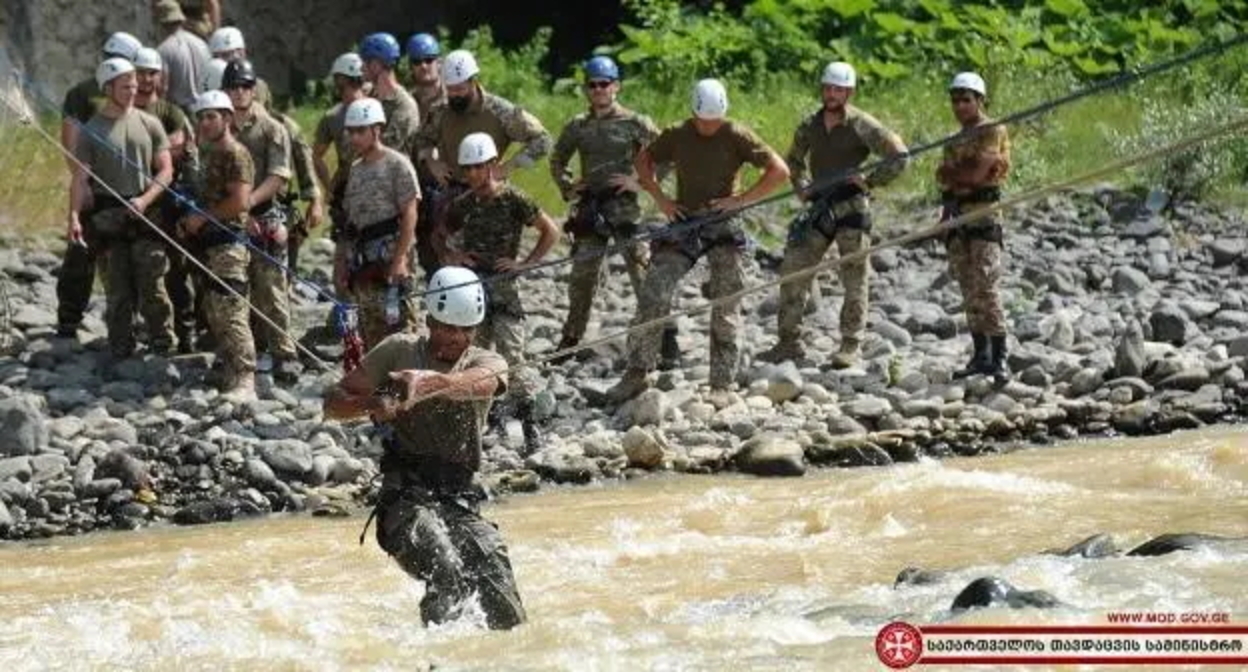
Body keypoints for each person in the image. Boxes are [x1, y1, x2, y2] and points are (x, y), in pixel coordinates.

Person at [323, 265, 527, 631]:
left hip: (460, 499)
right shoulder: (399, 351)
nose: (456, 337)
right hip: (404, 497)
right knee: (445, 569)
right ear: (430, 319)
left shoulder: (487, 362)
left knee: (502, 598)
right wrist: (375, 402)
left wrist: (427, 384)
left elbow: (479, 385)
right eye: (448, 327)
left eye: (466, 330)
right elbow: (334, 402)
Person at [604, 78, 789, 407]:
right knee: (654, 290)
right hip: (685, 220)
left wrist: (743, 199)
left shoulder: (737, 134)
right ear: (693, 113)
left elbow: (779, 170)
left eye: (714, 120)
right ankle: (638, 371)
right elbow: (642, 162)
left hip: (723, 222)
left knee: (726, 298)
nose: (708, 126)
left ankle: (722, 381)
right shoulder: (677, 133)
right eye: (703, 120)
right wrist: (660, 198)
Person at [757, 61, 909, 369]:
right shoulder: (809, 125)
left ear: (849, 92)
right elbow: (794, 161)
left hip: (852, 207)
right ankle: (788, 342)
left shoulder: (862, 125)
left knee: (854, 278)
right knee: (794, 269)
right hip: (819, 206)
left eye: (838, 89)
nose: (831, 94)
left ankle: (850, 345)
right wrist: (800, 187)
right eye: (827, 88)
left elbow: (899, 155)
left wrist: (870, 180)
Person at [434, 133, 558, 456]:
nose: (473, 174)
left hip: (504, 290)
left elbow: (550, 230)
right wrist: (453, 257)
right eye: (468, 169)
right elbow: (439, 233)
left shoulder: (514, 199)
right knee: (476, 355)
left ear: (491, 165)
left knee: (513, 354)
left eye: (479, 167)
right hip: (473, 292)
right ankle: (490, 423)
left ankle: (530, 426)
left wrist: (524, 264)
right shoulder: (463, 205)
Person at [548, 55, 659, 362]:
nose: (598, 90)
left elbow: (665, 155)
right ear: (586, 89)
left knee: (643, 272)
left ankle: (664, 337)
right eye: (592, 85)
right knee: (582, 276)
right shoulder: (578, 126)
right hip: (590, 209)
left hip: (624, 208)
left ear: (616, 86)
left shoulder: (636, 123)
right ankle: (571, 339)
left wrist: (641, 182)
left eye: (604, 84)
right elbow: (557, 159)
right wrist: (568, 187)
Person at [413, 48, 552, 280]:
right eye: (450, 89)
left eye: (460, 89)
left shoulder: (500, 112)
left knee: (488, 266)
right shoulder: (440, 112)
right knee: (442, 262)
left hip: (491, 196)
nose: (454, 95)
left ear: (473, 82)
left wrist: (509, 166)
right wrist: (432, 160)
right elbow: (420, 139)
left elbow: (543, 141)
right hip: (452, 194)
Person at [69, 57, 175, 358]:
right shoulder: (90, 131)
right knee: (117, 290)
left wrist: (145, 200)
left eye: (133, 83)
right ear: (108, 88)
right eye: (125, 85)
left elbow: (165, 170)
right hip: (106, 217)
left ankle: (162, 342)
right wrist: (75, 217)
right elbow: (80, 179)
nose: (133, 89)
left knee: (154, 285)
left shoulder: (150, 123)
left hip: (146, 213)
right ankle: (121, 346)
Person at [56, 31, 143, 338]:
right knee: (89, 250)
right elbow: (72, 142)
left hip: (112, 187)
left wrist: (82, 181)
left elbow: (69, 142)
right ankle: (75, 319)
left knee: (91, 252)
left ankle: (74, 319)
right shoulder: (88, 93)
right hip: (106, 187)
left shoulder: (83, 91)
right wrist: (84, 184)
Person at [222, 59, 299, 379]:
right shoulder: (219, 127)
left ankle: (285, 352)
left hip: (264, 214)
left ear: (254, 90)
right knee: (231, 290)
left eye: (245, 86)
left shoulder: (272, 128)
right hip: (227, 220)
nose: (240, 92)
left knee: (272, 288)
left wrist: (249, 204)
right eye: (233, 87)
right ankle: (236, 351)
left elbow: (279, 175)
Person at [179, 89, 256, 400]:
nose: (206, 123)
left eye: (211, 117)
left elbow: (240, 201)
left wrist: (202, 218)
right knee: (213, 309)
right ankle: (228, 369)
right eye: (201, 118)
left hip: (229, 244)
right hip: (209, 244)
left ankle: (246, 379)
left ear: (226, 118)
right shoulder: (208, 153)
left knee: (232, 310)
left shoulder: (237, 154)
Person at [938, 72, 1012, 384]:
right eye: (955, 100)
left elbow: (978, 173)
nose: (960, 106)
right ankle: (980, 354)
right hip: (958, 219)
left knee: (986, 285)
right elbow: (945, 181)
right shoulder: (952, 141)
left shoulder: (992, 130)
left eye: (966, 100)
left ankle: (999, 356)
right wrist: (957, 178)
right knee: (968, 290)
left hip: (984, 216)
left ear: (980, 100)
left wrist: (957, 174)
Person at [134, 47, 203, 353]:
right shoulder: (123, 113)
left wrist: (156, 155)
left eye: (152, 73)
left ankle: (185, 332)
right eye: (140, 73)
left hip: (169, 203)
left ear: (160, 77)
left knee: (179, 269)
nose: (146, 80)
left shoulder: (170, 112)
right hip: (135, 202)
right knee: (144, 270)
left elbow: (181, 151)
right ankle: (151, 331)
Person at [340, 97, 422, 349]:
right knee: (369, 325)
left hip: (392, 255)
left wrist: (399, 260)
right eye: (351, 132)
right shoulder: (355, 169)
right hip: (364, 259)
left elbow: (410, 213)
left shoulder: (397, 164)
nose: (354, 138)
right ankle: (378, 383)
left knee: (401, 325)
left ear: (376, 130)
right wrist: (344, 262)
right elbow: (351, 221)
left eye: (360, 131)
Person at [313, 52, 367, 299]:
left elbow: (316, 156)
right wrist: (331, 188)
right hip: (347, 192)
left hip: (366, 190)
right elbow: (316, 156)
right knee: (346, 257)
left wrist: (329, 186)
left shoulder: (336, 116)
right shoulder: (335, 117)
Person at [359, 33, 421, 157]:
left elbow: (385, 150)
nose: (361, 68)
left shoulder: (404, 105)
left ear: (376, 64)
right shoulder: (369, 97)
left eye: (365, 62)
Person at [152, 0, 212, 113]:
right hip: (205, 109)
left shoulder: (163, 50)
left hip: (180, 113)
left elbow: (163, 88)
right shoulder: (202, 44)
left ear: (161, 23)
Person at [208, 27, 273, 108]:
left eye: (239, 53)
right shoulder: (207, 80)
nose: (234, 58)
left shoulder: (258, 86)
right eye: (226, 55)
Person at [406, 32, 446, 117]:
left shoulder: (453, 98)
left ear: (439, 63)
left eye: (429, 60)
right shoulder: (406, 103)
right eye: (417, 61)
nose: (423, 66)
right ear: (411, 67)